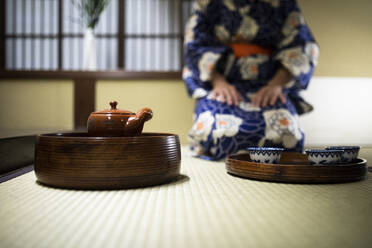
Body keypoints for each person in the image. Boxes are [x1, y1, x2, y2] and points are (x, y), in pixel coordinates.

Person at [183, 0, 319, 160]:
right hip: (223, 83)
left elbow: (302, 43)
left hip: (269, 84)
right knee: (218, 132)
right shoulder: (206, 3)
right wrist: (218, 81)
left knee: (287, 134)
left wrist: (276, 84)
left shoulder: (282, 3)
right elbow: (195, 45)